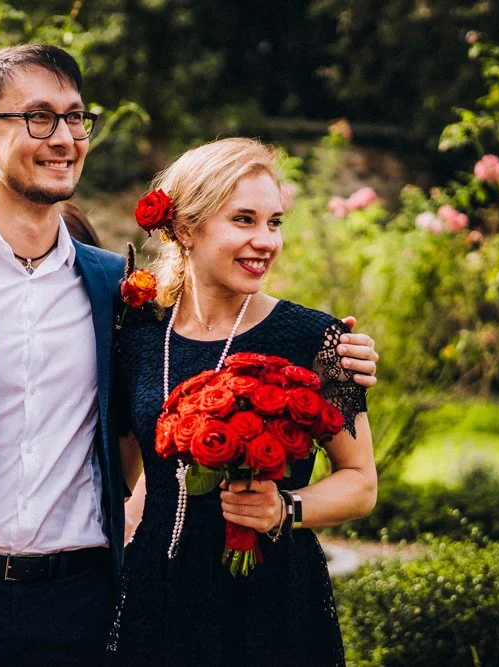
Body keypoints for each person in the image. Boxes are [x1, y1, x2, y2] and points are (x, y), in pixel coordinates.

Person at [0, 45, 378, 666]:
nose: (64, 137)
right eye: (39, 117)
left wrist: (338, 364)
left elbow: (130, 446)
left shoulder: (115, 292)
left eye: (75, 117)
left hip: (84, 609)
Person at [108, 137, 377, 666]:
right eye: (244, 220)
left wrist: (284, 508)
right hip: (157, 593)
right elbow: (121, 476)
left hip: (271, 601)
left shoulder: (315, 339)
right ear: (186, 229)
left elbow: (360, 483)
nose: (265, 241)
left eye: (274, 222)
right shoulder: (138, 335)